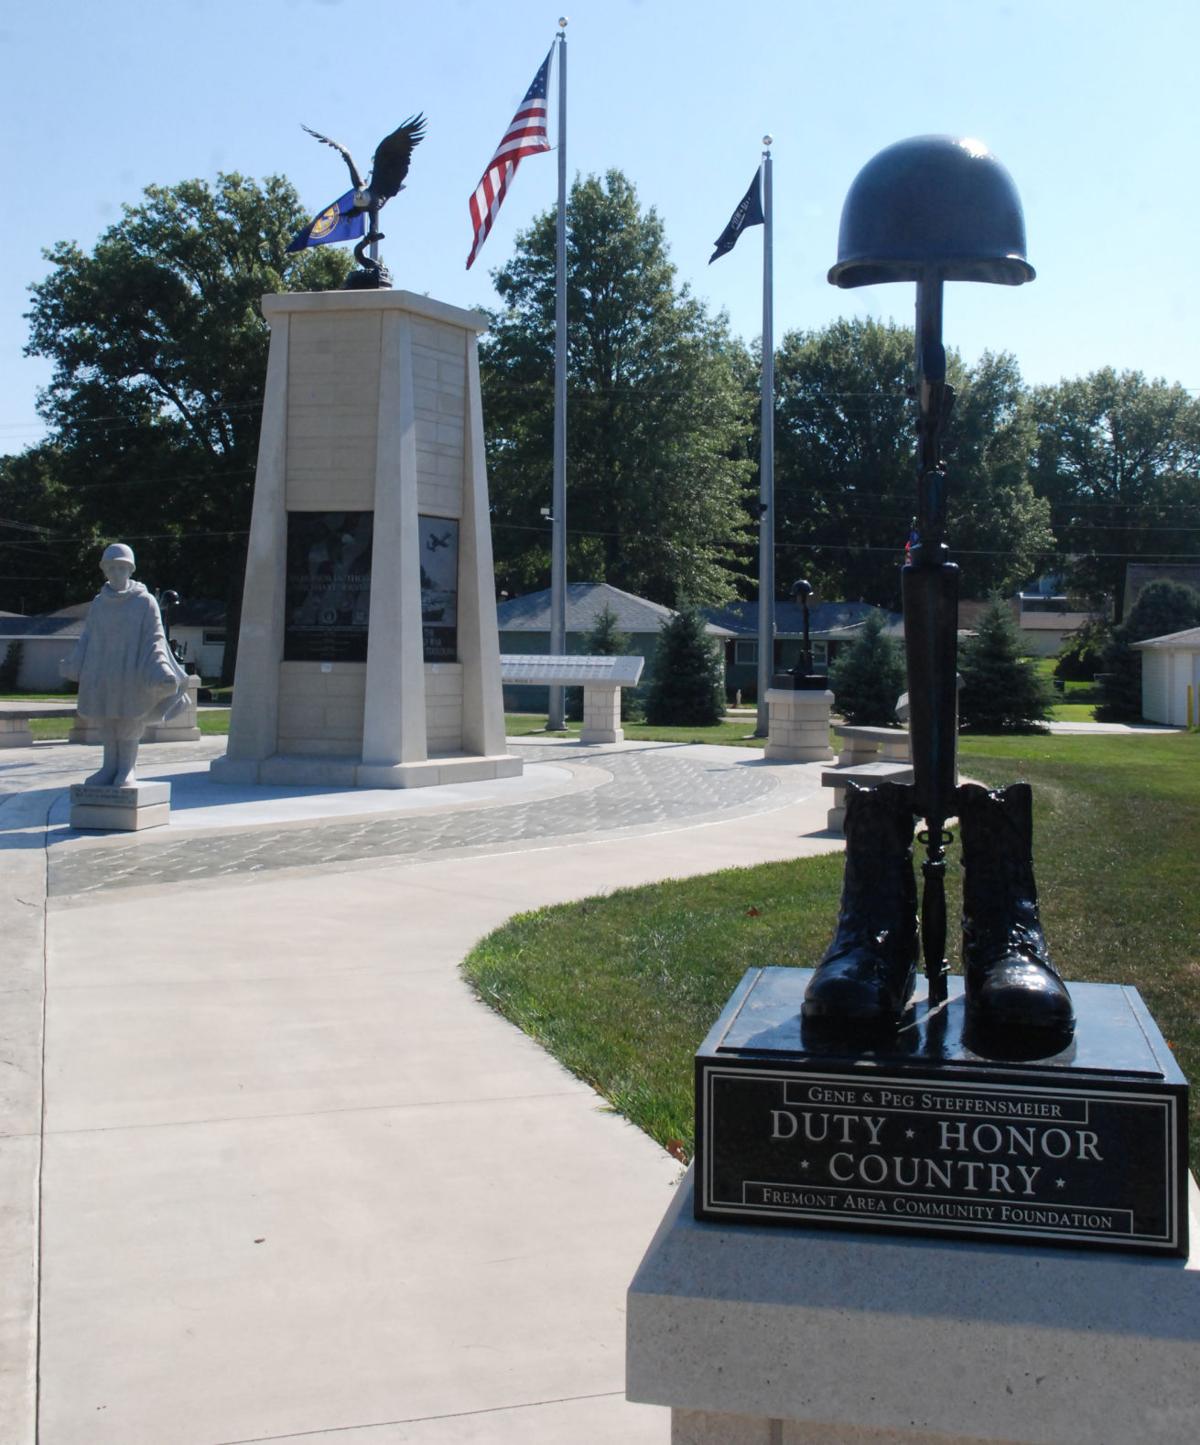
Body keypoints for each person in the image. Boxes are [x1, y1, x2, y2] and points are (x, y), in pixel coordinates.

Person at [61, 543, 189, 787]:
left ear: (130, 570)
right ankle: (109, 767)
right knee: (107, 720)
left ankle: (127, 769)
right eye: (111, 568)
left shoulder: (145, 602)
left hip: (132, 672)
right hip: (104, 671)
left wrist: (161, 669)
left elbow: (156, 638)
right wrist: (74, 662)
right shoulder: (99, 603)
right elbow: (88, 636)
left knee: (130, 721)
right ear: (104, 570)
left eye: (121, 568)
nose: (116, 573)